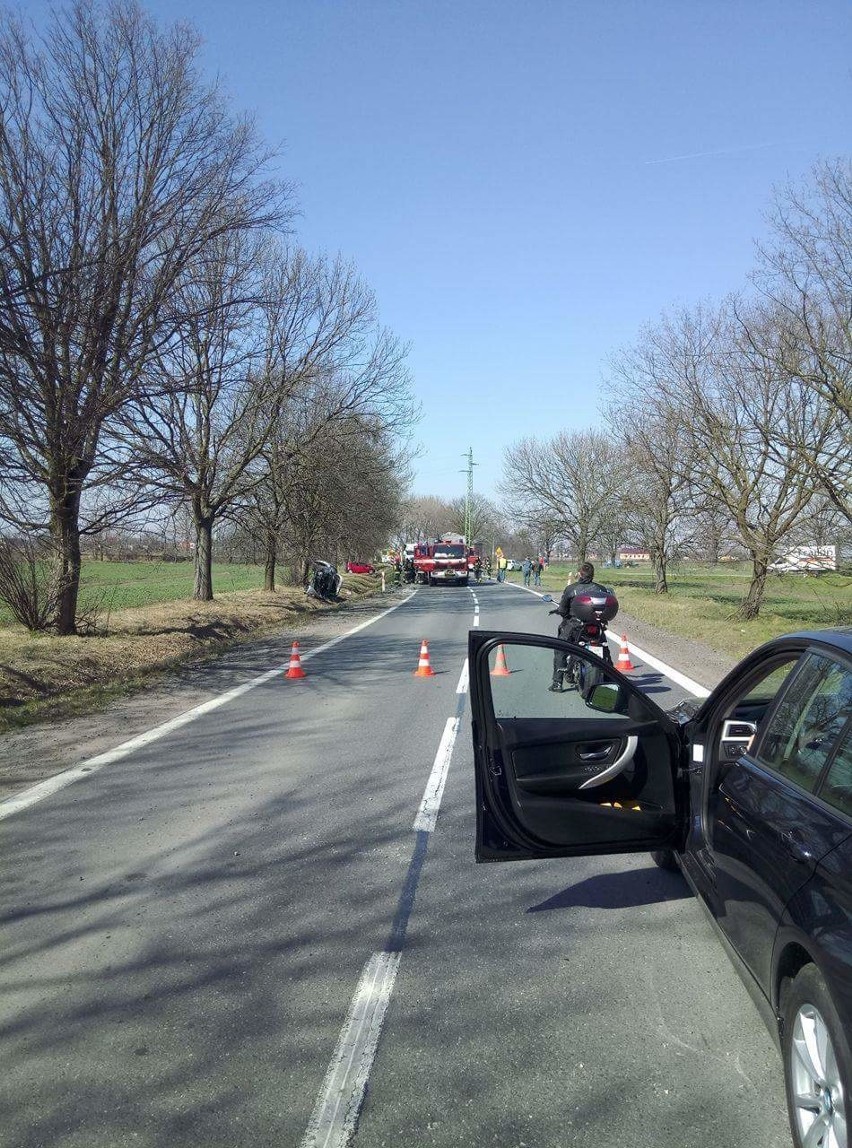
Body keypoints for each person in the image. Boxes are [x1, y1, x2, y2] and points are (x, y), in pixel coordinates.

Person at [549, 561, 611, 691]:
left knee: (560, 648)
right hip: (596, 625)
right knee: (605, 650)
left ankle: (557, 683)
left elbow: (562, 609)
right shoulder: (601, 589)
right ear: (592, 574)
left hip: (575, 625)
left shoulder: (571, 589)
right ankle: (612, 680)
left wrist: (563, 613)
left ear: (579, 574)